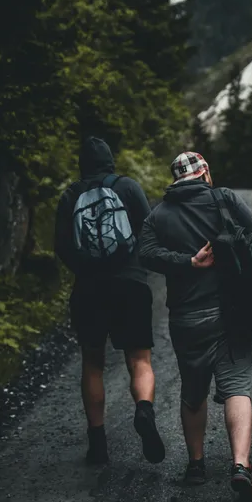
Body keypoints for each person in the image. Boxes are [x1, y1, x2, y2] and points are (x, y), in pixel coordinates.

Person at [139, 152, 252, 501]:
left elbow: (144, 254)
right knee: (237, 387)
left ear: (176, 179)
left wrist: (187, 262)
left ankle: (196, 465)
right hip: (231, 312)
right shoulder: (224, 199)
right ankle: (240, 465)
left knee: (193, 394)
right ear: (204, 171)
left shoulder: (159, 214)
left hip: (186, 319)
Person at [55, 136, 165, 466]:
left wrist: (86, 270)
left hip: (89, 289)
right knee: (139, 359)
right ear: (110, 161)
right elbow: (151, 232)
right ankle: (144, 411)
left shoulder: (71, 195)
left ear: (81, 164)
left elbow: (61, 246)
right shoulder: (128, 187)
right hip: (130, 284)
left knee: (93, 363)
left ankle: (98, 444)